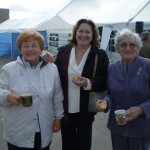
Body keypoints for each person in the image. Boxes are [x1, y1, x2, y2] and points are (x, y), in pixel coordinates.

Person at [44, 18, 109, 150]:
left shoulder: (99, 55)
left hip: (85, 109)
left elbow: (105, 80)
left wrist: (88, 82)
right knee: (67, 144)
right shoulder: (64, 51)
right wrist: (49, 60)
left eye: (88, 32)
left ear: (93, 35)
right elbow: (55, 75)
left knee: (84, 144)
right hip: (66, 107)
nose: (84, 35)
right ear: (75, 33)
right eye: (81, 31)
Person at [0, 29, 64, 150]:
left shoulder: (52, 69)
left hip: (43, 130)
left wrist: (58, 118)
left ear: (41, 49)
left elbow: (57, 96)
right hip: (18, 131)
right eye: (26, 46)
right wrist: (7, 96)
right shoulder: (9, 69)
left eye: (34, 45)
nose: (30, 49)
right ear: (20, 49)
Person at [96, 28, 150, 150]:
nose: (128, 48)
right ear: (117, 48)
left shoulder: (147, 66)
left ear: (138, 47)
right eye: (123, 45)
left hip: (141, 128)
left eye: (132, 45)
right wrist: (105, 102)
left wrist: (141, 109)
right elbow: (109, 94)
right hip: (118, 127)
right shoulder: (111, 67)